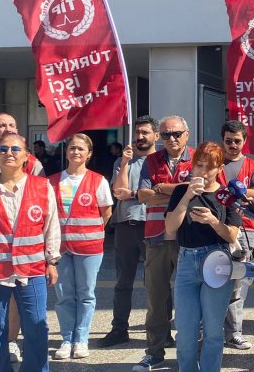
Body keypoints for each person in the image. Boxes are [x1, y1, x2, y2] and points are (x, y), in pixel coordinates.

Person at [0, 133, 60, 372]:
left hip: (31, 269)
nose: (9, 153)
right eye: (3, 149)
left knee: (36, 327)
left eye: (15, 149)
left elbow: (52, 224)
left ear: (26, 156)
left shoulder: (42, 186)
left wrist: (52, 260)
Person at [164, 141, 242, 372]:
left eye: (209, 167)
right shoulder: (181, 191)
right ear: (192, 165)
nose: (203, 172)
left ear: (219, 169)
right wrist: (187, 196)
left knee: (213, 331)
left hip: (217, 260)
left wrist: (213, 221)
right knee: (185, 332)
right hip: (187, 260)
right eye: (199, 165)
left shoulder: (226, 196)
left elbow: (232, 235)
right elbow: (170, 227)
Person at [134, 116, 194, 371]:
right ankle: (155, 352)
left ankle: (188, 353)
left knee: (188, 300)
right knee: (156, 299)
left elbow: (196, 192)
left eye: (176, 133)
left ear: (187, 134)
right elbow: (143, 196)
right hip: (156, 238)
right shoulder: (151, 160)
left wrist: (163, 188)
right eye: (166, 135)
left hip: (188, 239)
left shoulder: (197, 158)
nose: (172, 139)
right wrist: (179, 192)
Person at [49, 134, 113, 360]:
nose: (76, 152)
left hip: (89, 246)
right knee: (64, 295)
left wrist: (88, 232)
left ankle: (81, 339)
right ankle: (67, 339)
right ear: (66, 152)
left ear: (89, 153)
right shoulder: (52, 181)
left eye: (80, 149)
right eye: (72, 148)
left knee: (86, 294)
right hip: (60, 247)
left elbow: (106, 212)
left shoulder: (98, 180)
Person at [99, 115, 159, 348]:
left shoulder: (160, 160)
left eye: (145, 132)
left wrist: (133, 194)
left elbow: (156, 193)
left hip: (152, 224)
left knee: (157, 282)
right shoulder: (123, 160)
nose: (140, 137)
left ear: (155, 135)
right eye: (138, 133)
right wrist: (123, 163)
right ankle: (119, 329)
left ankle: (161, 331)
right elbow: (118, 191)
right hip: (125, 224)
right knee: (122, 282)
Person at [217, 120, 254, 351]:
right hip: (216, 228)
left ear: (244, 141)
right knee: (214, 280)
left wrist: (241, 191)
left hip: (245, 230)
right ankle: (211, 332)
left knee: (239, 285)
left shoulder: (253, 165)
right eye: (228, 141)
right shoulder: (214, 163)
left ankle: (234, 333)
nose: (233, 145)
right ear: (222, 140)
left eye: (237, 141)